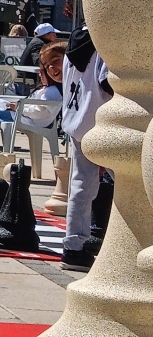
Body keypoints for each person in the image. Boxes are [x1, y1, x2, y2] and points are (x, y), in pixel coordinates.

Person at [61, 27, 113, 271]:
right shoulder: (107, 39)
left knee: (81, 184)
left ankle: (73, 246)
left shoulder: (75, 40)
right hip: (103, 122)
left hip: (76, 120)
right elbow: (109, 82)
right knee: (133, 183)